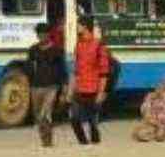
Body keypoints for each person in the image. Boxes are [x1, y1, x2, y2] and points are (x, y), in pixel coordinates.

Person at [69, 16, 111, 145]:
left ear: (85, 27)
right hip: (80, 89)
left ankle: (95, 146)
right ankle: (83, 143)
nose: (77, 28)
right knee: (74, 118)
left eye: (79, 25)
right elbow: (76, 70)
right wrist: (70, 90)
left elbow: (104, 73)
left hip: (94, 90)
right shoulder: (79, 45)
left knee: (93, 123)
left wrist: (101, 93)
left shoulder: (99, 46)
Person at [25, 22, 68, 147]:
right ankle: (44, 140)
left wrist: (64, 88)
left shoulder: (57, 50)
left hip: (52, 87)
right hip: (36, 87)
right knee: (38, 116)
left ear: (48, 35)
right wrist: (29, 83)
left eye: (44, 34)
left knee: (46, 114)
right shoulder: (33, 50)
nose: (41, 37)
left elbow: (62, 69)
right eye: (39, 34)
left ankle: (49, 141)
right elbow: (29, 67)